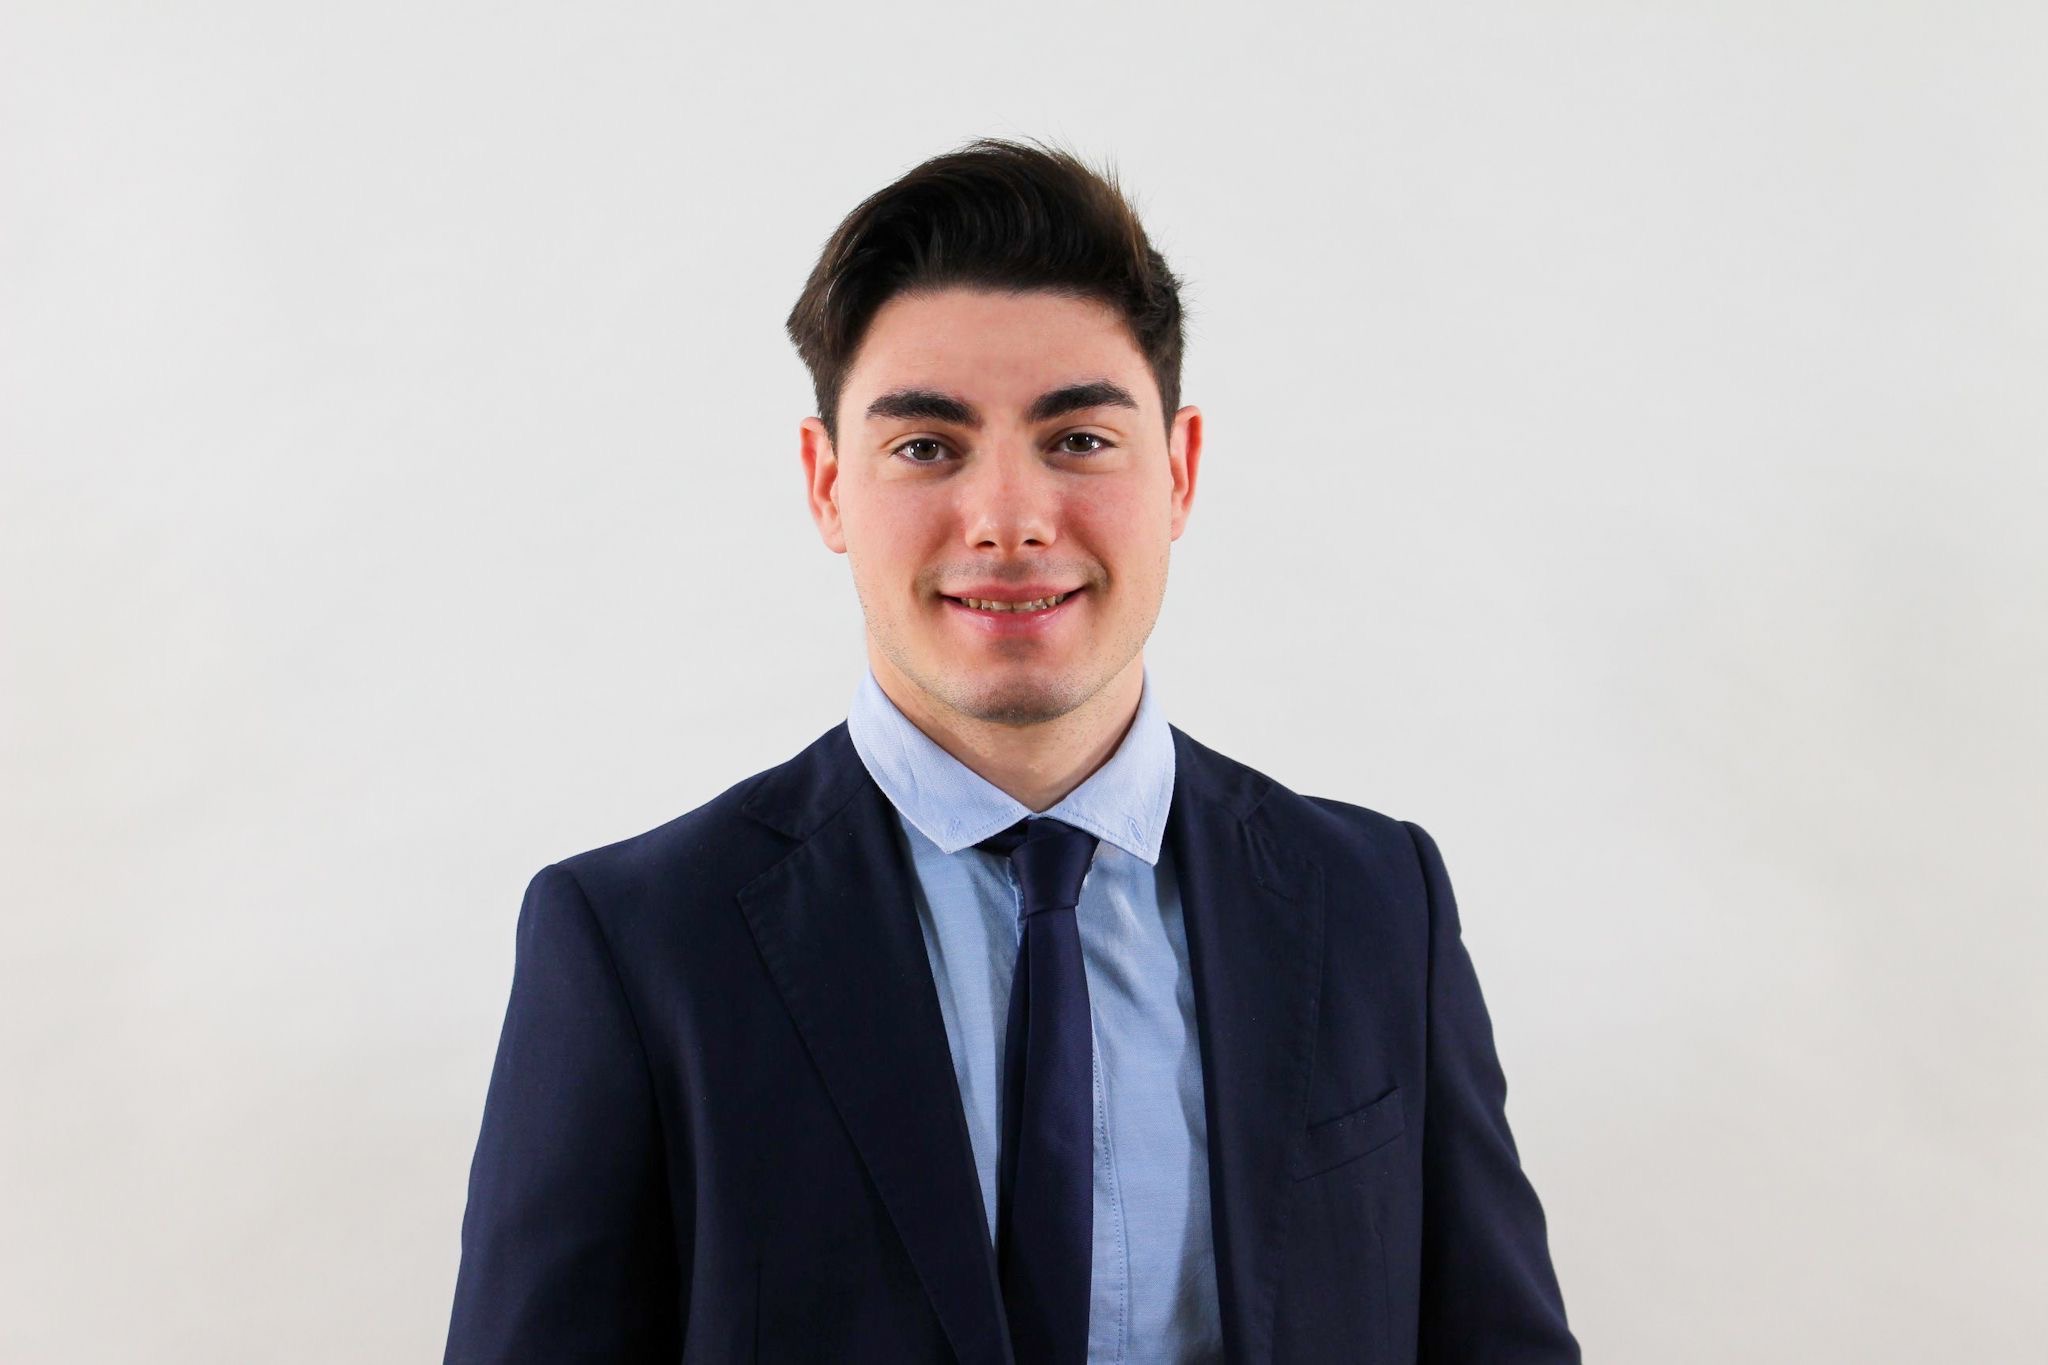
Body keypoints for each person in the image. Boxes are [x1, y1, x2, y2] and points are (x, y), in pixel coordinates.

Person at [443, 136, 1580, 1364]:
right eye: (925, 446)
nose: (1008, 519)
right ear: (827, 485)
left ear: (1180, 470)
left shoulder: (1373, 901)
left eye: (1078, 440)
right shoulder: (636, 944)